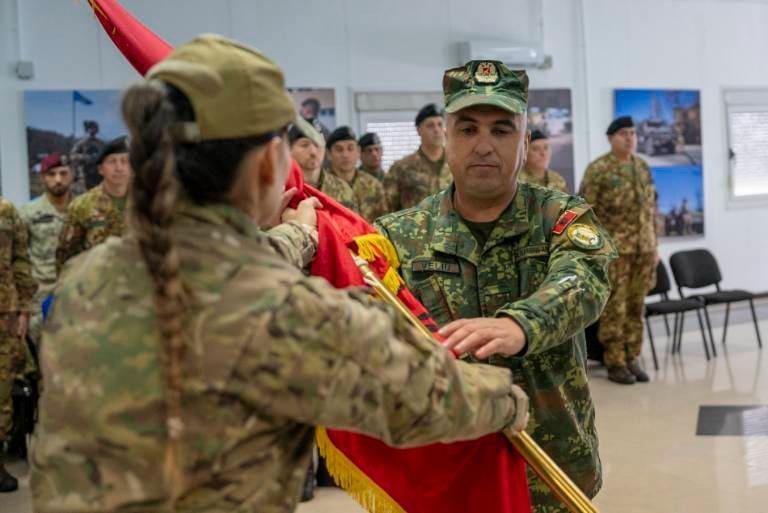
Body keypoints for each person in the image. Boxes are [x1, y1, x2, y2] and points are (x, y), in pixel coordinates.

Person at [30, 35, 529, 513]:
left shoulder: (85, 279)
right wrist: (507, 400)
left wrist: (301, 238)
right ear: (271, 163)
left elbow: (206, 271)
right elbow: (431, 398)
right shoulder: (288, 317)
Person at [375, 60, 617, 513]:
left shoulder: (560, 218)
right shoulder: (399, 235)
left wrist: (521, 324)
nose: (484, 146)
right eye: (467, 129)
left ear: (525, 142)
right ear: (445, 138)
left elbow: (585, 279)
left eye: (502, 131)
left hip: (552, 469)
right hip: (448, 468)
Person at [579, 116, 658, 385]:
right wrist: (595, 251)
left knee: (637, 306)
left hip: (643, 250)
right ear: (611, 138)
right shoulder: (598, 170)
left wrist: (655, 246)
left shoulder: (642, 167)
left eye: (633, 133)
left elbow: (651, 211)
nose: (630, 138)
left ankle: (632, 356)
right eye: (624, 133)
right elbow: (586, 214)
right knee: (615, 307)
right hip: (615, 252)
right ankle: (614, 361)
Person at [0, 196, 37, 493]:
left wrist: (24, 308)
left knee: (2, 394)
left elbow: (21, 259)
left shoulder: (6, 210)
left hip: (4, 314)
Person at [19, 153, 74, 344]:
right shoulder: (28, 213)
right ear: (43, 177)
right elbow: (18, 259)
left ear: (71, 175)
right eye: (51, 174)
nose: (58, 179)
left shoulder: (85, 209)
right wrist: (23, 308)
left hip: (79, 297)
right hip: (41, 299)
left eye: (63, 173)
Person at [56, 136, 131, 271]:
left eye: (125, 161)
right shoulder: (82, 205)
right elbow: (66, 257)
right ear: (101, 169)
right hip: (96, 286)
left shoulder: (148, 204)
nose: (119, 168)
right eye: (112, 161)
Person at [383, 103, 453, 212]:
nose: (437, 130)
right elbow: (387, 207)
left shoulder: (457, 163)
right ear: (419, 130)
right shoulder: (402, 168)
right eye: (430, 125)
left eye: (440, 124)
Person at [288, 117, 357, 212]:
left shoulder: (342, 189)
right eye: (304, 145)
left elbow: (353, 225)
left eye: (317, 144)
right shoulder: (282, 190)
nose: (313, 152)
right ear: (289, 149)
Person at [326, 126, 388, 222]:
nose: (345, 155)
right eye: (339, 150)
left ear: (358, 151)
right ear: (329, 154)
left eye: (350, 149)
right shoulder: (322, 185)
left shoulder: (373, 185)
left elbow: (384, 220)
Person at [69, 120, 105, 194]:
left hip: (99, 176)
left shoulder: (101, 144)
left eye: (94, 129)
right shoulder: (81, 144)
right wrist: (85, 157)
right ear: (87, 130)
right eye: (90, 129)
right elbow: (72, 156)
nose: (92, 131)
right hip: (85, 176)